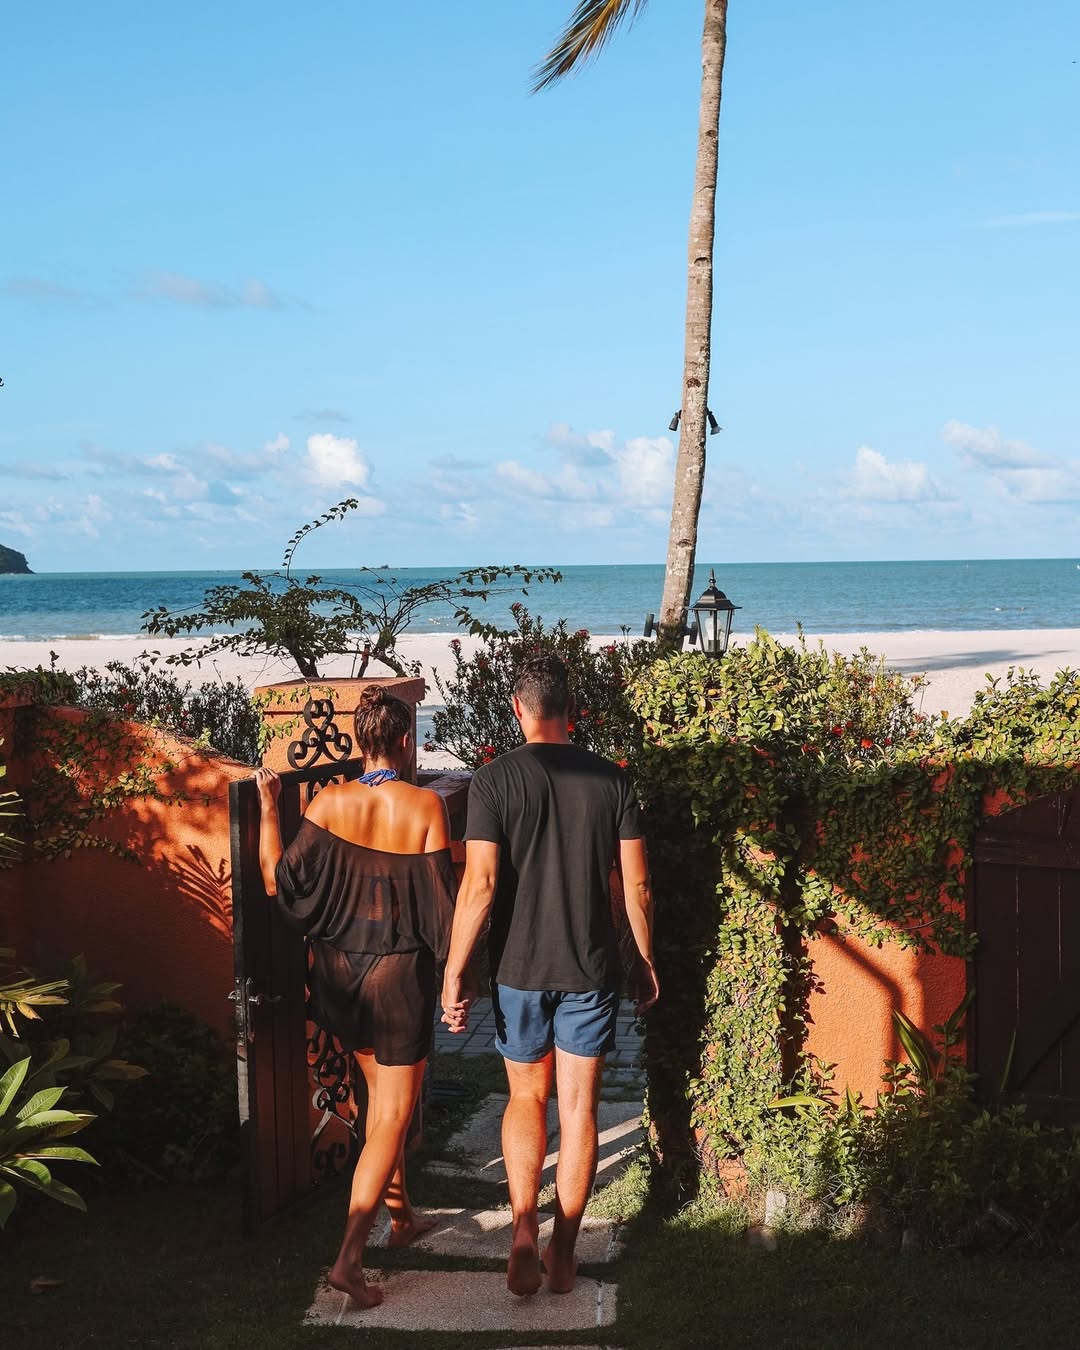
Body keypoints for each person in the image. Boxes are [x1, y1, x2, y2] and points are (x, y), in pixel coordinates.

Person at [441, 653, 659, 1297]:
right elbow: (637, 886)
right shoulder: (612, 782)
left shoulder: (493, 782)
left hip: (518, 970)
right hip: (589, 967)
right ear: (572, 712)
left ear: (518, 710)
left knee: (526, 1099)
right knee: (580, 1108)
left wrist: (456, 971)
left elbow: (478, 886)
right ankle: (564, 1251)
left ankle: (521, 1230)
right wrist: (644, 962)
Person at [256, 686, 455, 1310]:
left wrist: (269, 806)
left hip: (339, 977)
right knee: (395, 1113)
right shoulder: (423, 805)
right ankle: (347, 1260)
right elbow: (441, 910)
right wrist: (459, 979)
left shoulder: (326, 802)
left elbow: (275, 882)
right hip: (398, 980)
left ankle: (401, 1219)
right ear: (402, 739)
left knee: (378, 1103)